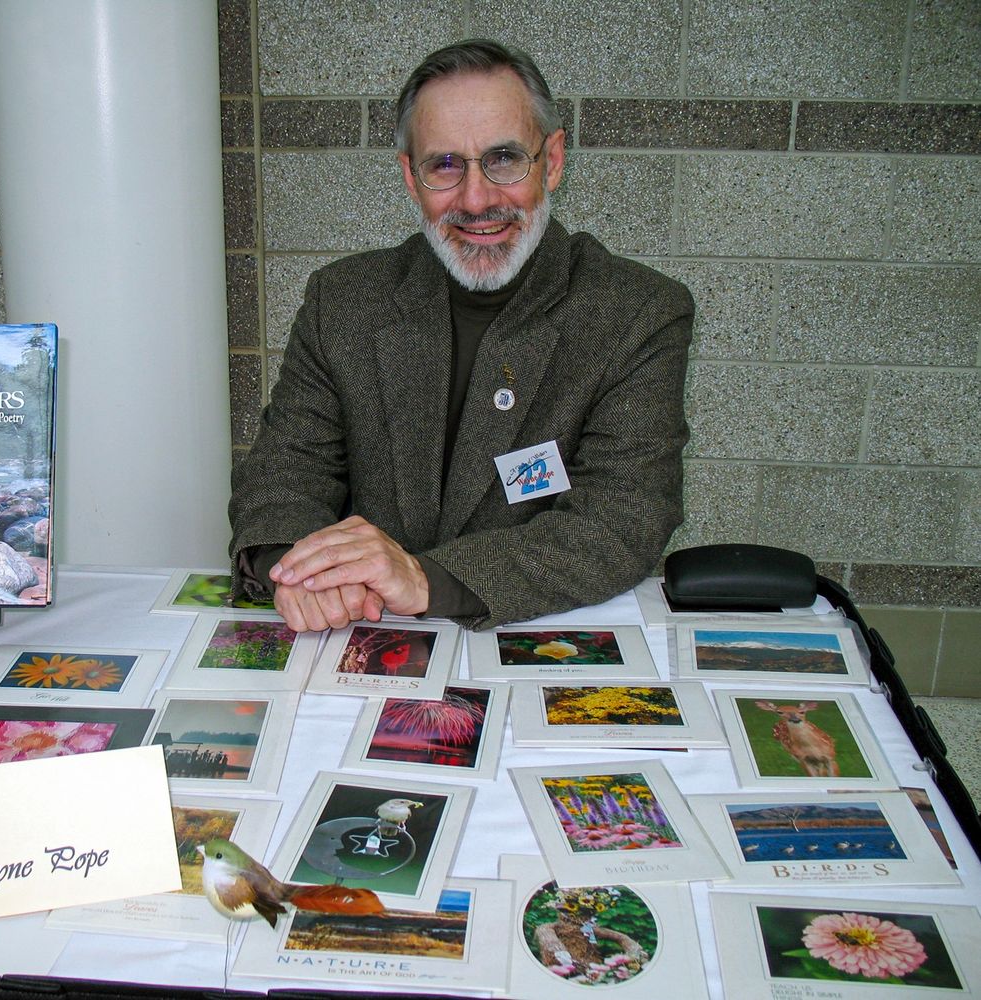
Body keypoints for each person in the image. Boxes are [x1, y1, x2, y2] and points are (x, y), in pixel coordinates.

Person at [229, 38, 693, 632]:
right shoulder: (341, 300)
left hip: (535, 639)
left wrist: (422, 579)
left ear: (551, 161)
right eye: (445, 165)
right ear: (410, 177)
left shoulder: (638, 312)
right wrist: (299, 571)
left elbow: (622, 519)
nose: (476, 199)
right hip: (367, 633)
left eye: (504, 158)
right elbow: (286, 470)